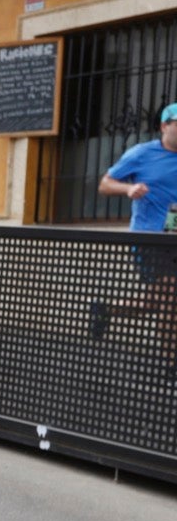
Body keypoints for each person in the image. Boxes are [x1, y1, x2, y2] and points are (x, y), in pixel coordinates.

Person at [92, 103, 177, 385]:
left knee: (161, 300)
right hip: (149, 239)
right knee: (168, 295)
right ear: (164, 126)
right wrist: (128, 188)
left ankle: (108, 308)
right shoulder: (142, 154)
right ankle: (171, 364)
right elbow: (105, 184)